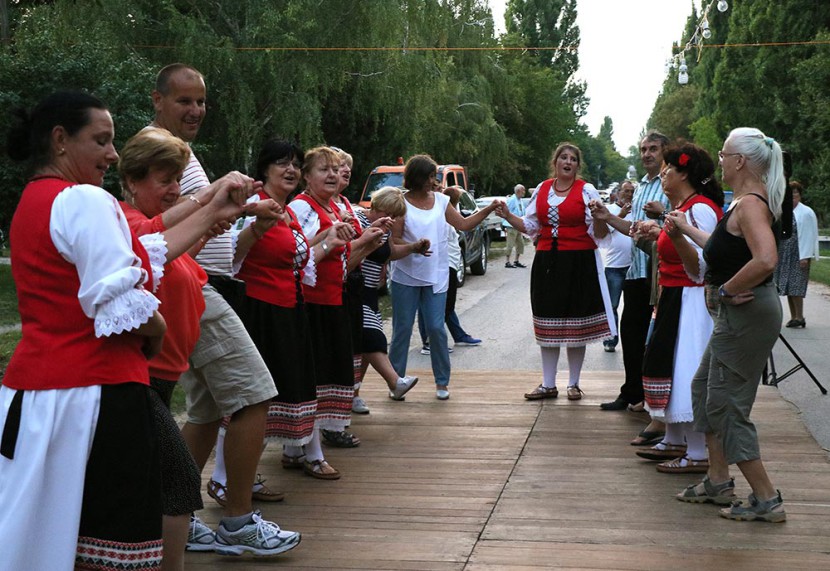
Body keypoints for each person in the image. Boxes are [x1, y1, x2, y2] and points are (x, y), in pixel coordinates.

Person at [118, 127, 301, 563]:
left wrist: (215, 222)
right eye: (164, 180)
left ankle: (188, 527)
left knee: (197, 425)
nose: (174, 190)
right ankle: (236, 520)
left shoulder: (153, 220)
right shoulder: (128, 221)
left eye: (177, 180)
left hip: (168, 363)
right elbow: (149, 253)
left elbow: (173, 257)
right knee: (252, 396)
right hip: (154, 368)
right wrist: (208, 202)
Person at [1, 91, 166, 571]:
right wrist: (156, 329)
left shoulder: (31, 202)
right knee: (114, 538)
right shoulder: (84, 200)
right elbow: (117, 302)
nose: (113, 154)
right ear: (59, 141)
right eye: (102, 140)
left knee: (46, 535)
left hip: (35, 396)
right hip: (97, 394)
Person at [149, 64, 286, 551]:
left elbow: (210, 229)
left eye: (201, 101)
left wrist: (249, 218)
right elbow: (159, 221)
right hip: (189, 286)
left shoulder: (180, 153)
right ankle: (238, 520)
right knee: (254, 393)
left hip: (201, 283)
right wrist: (237, 207)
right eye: (184, 100)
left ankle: (175, 519)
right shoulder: (160, 150)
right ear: (158, 100)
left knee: (206, 409)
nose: (195, 110)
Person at [673, 128, 787, 523]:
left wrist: (725, 291)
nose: (719, 160)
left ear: (740, 161)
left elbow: (766, 259)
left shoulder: (751, 205)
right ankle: (718, 480)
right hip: (740, 311)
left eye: (723, 154)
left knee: (727, 406)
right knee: (704, 388)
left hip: (747, 311)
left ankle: (766, 497)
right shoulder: (740, 203)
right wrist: (683, 228)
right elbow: (725, 249)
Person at [631, 144, 723, 475]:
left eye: (669, 168)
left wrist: (676, 235)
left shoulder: (700, 210)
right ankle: (675, 438)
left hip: (692, 300)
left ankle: (697, 451)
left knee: (686, 371)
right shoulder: (685, 207)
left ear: (684, 174)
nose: (664, 174)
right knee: (666, 364)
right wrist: (659, 232)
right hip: (674, 296)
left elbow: (703, 267)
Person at [499, 142, 615, 402]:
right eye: (564, 157)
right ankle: (548, 383)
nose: (568, 162)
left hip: (579, 262)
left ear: (577, 165)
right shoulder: (541, 189)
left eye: (573, 159)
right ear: (555, 162)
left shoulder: (586, 191)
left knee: (577, 322)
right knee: (547, 321)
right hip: (547, 262)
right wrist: (507, 215)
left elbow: (600, 234)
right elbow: (530, 226)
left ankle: (573, 383)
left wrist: (599, 216)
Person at [290, 146, 384, 459]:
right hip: (312, 303)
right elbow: (298, 258)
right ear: (306, 176)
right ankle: (302, 448)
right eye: (324, 169)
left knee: (327, 371)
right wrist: (333, 241)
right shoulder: (303, 207)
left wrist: (366, 243)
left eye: (336, 169)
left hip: (334, 297)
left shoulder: (332, 207)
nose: (333, 174)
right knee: (314, 374)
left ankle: (301, 446)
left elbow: (343, 261)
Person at [388, 155, 498, 400]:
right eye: (430, 176)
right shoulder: (401, 204)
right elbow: (393, 242)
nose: (434, 181)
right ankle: (396, 382)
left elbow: (465, 224)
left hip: (436, 275)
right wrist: (414, 247)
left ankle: (442, 382)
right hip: (405, 275)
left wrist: (489, 209)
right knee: (402, 330)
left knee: (437, 328)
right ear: (418, 177)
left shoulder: (441, 201)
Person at [595, 132, 671, 434]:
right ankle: (632, 392)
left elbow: (675, 224)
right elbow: (635, 229)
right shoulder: (640, 186)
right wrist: (607, 217)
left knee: (655, 340)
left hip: (660, 273)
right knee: (631, 333)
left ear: (665, 152)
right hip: (635, 270)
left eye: (653, 149)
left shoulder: (669, 182)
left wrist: (661, 216)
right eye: (643, 149)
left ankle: (654, 400)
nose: (647, 154)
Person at [353, 186, 423, 409]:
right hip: (355, 287)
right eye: (386, 212)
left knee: (364, 346)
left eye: (395, 215)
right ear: (375, 206)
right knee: (374, 337)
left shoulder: (386, 227)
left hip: (371, 289)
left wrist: (413, 248)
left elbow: (390, 252)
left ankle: (354, 394)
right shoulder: (358, 220)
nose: (390, 219)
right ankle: (395, 381)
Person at [419, 185, 483, 354]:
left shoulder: (447, 211)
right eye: (434, 185)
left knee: (446, 304)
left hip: (451, 263)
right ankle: (429, 341)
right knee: (438, 305)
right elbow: (464, 225)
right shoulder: (437, 212)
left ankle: (458, 335)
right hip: (443, 264)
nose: (438, 188)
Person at [774, 181, 819, 328]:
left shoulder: (806, 212)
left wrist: (805, 256)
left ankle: (800, 316)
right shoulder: (784, 211)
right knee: (787, 286)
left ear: (800, 195)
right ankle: (794, 316)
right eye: (790, 193)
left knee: (796, 286)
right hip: (785, 253)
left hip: (799, 253)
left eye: (796, 193)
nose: (793, 196)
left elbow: (809, 235)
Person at [597, 180, 634, 352]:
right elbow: (605, 232)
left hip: (633, 266)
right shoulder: (610, 210)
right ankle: (610, 341)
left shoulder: (637, 209)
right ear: (618, 193)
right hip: (614, 267)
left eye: (631, 191)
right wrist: (621, 214)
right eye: (626, 191)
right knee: (611, 305)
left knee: (633, 307)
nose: (629, 194)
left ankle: (632, 343)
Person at [504, 184, 527, 268]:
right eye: (523, 190)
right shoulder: (512, 200)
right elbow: (507, 211)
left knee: (520, 243)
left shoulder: (520, 200)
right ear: (518, 191)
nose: (524, 192)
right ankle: (507, 261)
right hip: (511, 225)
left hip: (518, 225)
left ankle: (516, 260)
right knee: (510, 243)